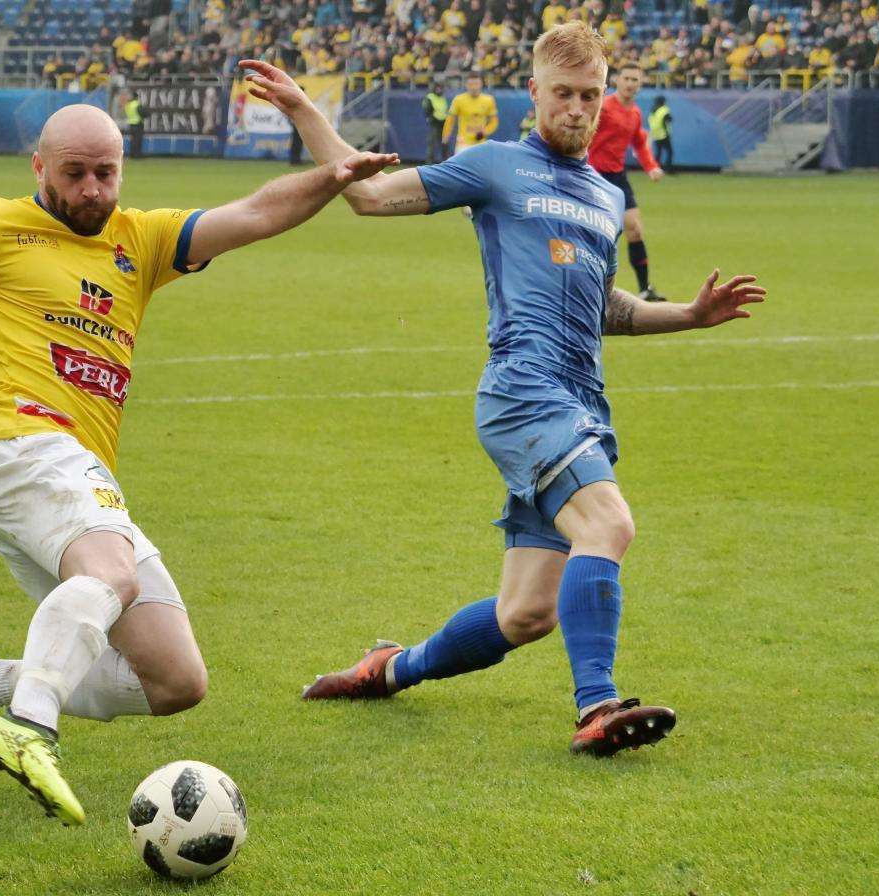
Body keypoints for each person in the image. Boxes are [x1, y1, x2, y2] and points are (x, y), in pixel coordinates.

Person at [0, 105, 396, 822]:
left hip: (78, 471)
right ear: (39, 167)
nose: (93, 189)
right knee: (114, 575)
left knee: (175, 680)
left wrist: (332, 175)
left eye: (106, 172)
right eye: (75, 174)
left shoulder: (142, 239)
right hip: (23, 447)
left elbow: (254, 213)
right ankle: (29, 727)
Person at [239, 21, 765, 758]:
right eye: (563, 94)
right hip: (523, 390)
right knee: (608, 525)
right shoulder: (495, 165)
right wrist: (304, 110)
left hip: (581, 401)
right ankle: (597, 705)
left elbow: (602, 306)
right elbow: (372, 196)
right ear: (534, 92)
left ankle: (387, 669)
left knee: (526, 614)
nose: (576, 109)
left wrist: (689, 315)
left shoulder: (604, 196)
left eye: (590, 96)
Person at [588, 63, 666, 303]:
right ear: (616, 80)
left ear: (640, 84)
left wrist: (651, 166)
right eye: (627, 78)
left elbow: (639, 143)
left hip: (617, 176)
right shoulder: (603, 107)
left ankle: (644, 289)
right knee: (594, 234)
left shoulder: (635, 113)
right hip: (593, 175)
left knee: (634, 229)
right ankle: (588, 289)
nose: (630, 83)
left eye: (635, 80)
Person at [442, 73, 498, 154]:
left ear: (481, 84)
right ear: (466, 85)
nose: (474, 87)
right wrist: (445, 137)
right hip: (463, 143)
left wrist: (485, 132)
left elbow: (494, 122)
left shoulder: (489, 100)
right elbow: (450, 120)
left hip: (481, 143)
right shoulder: (458, 100)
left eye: (476, 84)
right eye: (471, 84)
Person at [422, 78, 449, 163]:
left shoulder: (443, 97)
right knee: (432, 143)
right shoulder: (430, 96)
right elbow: (426, 108)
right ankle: (429, 162)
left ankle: (446, 162)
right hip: (434, 123)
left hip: (443, 123)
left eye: (441, 88)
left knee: (445, 143)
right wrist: (430, 118)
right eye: (437, 87)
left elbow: (445, 109)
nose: (439, 89)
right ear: (434, 88)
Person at [648, 95, 673, 171]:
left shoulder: (653, 110)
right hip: (664, 134)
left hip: (655, 134)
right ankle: (668, 168)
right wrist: (667, 133)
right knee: (670, 152)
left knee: (658, 152)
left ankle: (655, 167)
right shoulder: (664, 110)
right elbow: (668, 120)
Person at [122, 89, 145, 159]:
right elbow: (143, 113)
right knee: (138, 140)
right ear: (137, 97)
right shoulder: (136, 104)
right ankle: (137, 155)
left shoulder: (128, 105)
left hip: (131, 124)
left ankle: (132, 154)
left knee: (133, 140)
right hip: (138, 124)